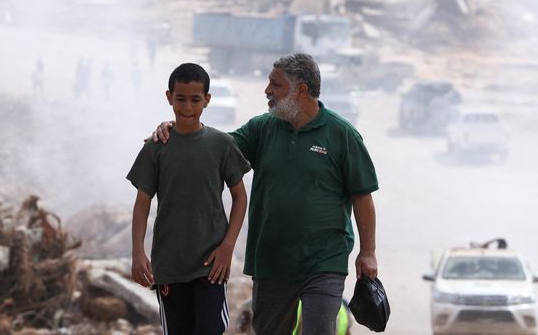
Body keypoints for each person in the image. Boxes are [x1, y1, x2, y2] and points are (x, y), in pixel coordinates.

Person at [155, 53, 379, 335]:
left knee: (320, 329)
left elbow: (362, 196)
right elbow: (213, 150)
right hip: (271, 259)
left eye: (275, 84)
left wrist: (367, 252)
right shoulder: (262, 128)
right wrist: (178, 130)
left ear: (301, 90)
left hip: (324, 259)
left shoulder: (341, 135)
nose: (267, 91)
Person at [128, 62, 251, 335]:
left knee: (209, 329)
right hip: (169, 265)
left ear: (207, 100)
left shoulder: (221, 144)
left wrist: (228, 246)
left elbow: (240, 198)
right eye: (180, 99)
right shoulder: (156, 147)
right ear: (169, 97)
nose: (186, 107)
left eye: (195, 100)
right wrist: (138, 252)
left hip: (210, 264)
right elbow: (142, 203)